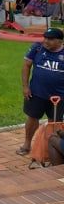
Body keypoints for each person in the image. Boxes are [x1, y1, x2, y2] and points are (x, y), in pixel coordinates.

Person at [18, 28, 64, 156]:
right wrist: (25, 87)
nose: (46, 41)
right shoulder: (37, 48)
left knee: (55, 123)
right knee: (32, 118)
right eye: (45, 38)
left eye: (50, 39)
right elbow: (26, 65)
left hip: (59, 97)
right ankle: (27, 144)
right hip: (36, 93)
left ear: (60, 41)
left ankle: (52, 150)